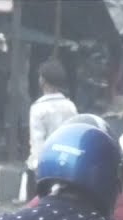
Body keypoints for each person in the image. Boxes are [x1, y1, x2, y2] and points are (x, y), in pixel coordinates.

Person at [26, 58, 77, 197]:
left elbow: (37, 141)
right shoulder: (70, 106)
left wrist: (37, 166)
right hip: (66, 166)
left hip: (45, 166)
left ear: (42, 81)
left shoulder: (38, 108)